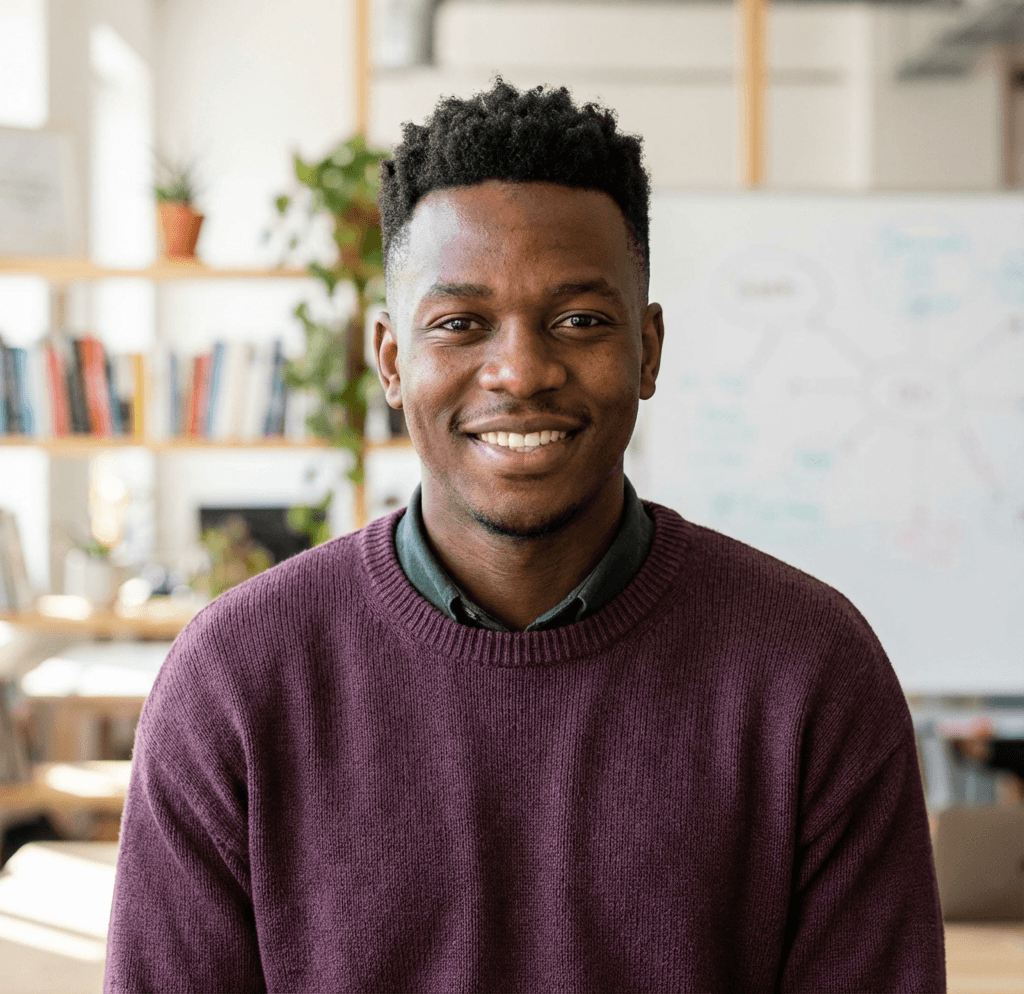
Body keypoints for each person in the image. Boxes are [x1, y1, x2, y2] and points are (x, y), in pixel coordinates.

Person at [104, 80, 945, 992]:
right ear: (391, 360)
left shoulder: (810, 672)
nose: (521, 371)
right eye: (460, 324)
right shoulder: (234, 679)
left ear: (649, 351)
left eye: (579, 320)